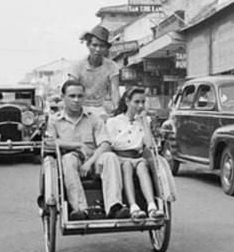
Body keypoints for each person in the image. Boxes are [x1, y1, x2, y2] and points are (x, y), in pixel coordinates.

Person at [45, 80, 126, 221]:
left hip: (94, 159)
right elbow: (50, 143)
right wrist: (77, 145)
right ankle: (80, 209)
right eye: (72, 96)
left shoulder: (93, 118)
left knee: (110, 157)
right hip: (72, 160)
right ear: (63, 97)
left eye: (80, 96)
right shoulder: (55, 120)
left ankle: (114, 206)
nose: (76, 100)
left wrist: (90, 162)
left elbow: (105, 143)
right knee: (68, 159)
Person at [105, 87, 164, 222]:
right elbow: (111, 143)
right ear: (127, 101)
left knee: (142, 166)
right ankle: (133, 206)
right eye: (136, 102)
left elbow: (149, 145)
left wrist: (144, 123)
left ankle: (151, 206)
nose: (140, 106)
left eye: (143, 102)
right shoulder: (113, 122)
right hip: (120, 158)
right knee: (127, 166)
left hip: (137, 157)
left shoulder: (144, 121)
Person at [68, 25, 120, 119]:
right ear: (88, 45)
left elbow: (115, 90)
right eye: (94, 45)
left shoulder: (112, 66)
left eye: (102, 46)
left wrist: (117, 108)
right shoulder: (77, 66)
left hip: (102, 109)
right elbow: (71, 88)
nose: (98, 49)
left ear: (106, 48)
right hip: (81, 107)